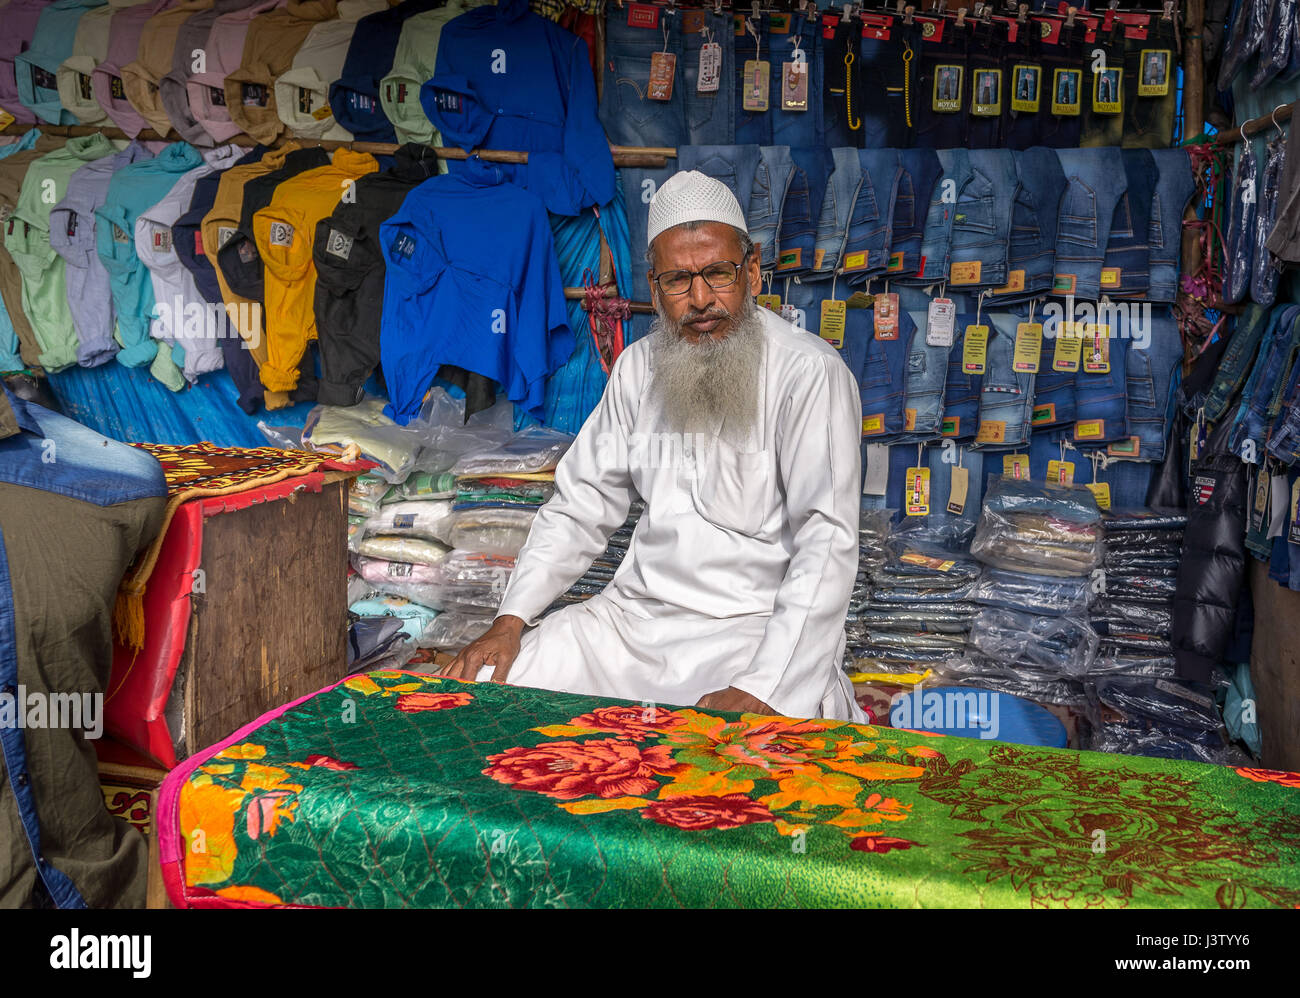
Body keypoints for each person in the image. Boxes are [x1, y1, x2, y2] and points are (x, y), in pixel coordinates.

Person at [443, 171, 865, 721]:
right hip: (633, 624)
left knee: (739, 765)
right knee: (487, 691)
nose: (700, 299)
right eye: (677, 280)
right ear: (653, 284)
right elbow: (579, 505)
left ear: (753, 270)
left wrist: (765, 685)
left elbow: (827, 539)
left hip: (753, 630)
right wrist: (510, 620)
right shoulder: (639, 367)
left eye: (717, 273)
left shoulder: (809, 372)